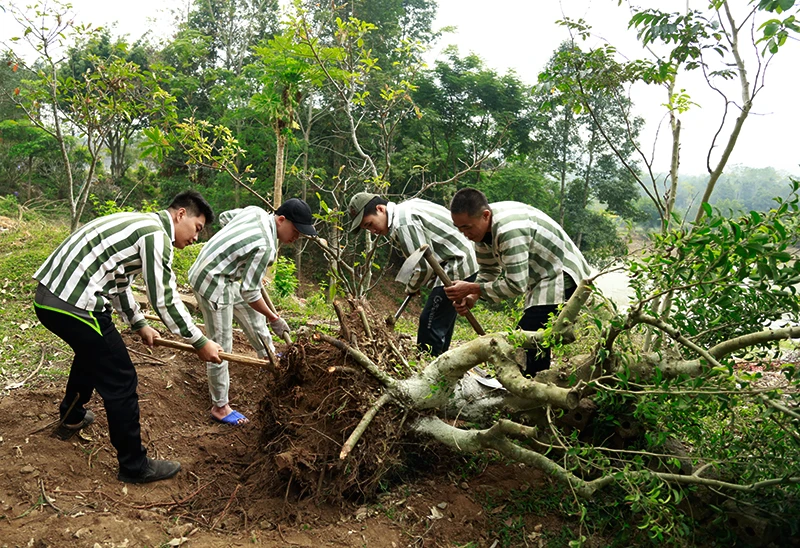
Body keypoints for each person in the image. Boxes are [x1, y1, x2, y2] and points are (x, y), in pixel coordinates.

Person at [33, 190, 224, 484]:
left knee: (92, 353)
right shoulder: (156, 235)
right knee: (121, 378)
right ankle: (134, 466)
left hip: (50, 298)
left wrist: (138, 323)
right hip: (75, 304)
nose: (196, 237)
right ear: (181, 214)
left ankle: (71, 416)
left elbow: (119, 281)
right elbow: (165, 299)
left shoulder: (140, 225)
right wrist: (199, 341)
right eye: (197, 228)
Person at [188, 198, 317, 425]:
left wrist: (238, 255)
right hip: (211, 281)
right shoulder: (266, 246)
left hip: (228, 276)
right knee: (220, 345)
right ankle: (220, 407)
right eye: (295, 231)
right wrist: (275, 318)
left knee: (254, 316)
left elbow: (227, 217)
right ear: (281, 219)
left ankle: (268, 353)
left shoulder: (256, 212)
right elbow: (250, 292)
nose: (296, 238)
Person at [445, 188, 591, 377]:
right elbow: (489, 271)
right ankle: (534, 386)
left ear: (485, 215)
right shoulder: (481, 233)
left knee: (527, 338)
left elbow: (515, 285)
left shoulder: (509, 231)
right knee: (532, 339)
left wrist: (472, 287)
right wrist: (473, 296)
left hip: (561, 274)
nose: (464, 233)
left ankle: (532, 390)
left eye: (467, 227)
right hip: (540, 277)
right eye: (459, 228)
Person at [348, 192, 478, 356]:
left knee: (429, 323)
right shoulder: (405, 209)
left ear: (380, 209)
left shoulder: (403, 224)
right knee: (440, 322)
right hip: (461, 259)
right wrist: (415, 283)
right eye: (367, 228)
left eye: (370, 224)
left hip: (458, 263)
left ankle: (430, 372)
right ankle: (443, 366)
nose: (373, 231)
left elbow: (423, 266)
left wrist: (412, 287)